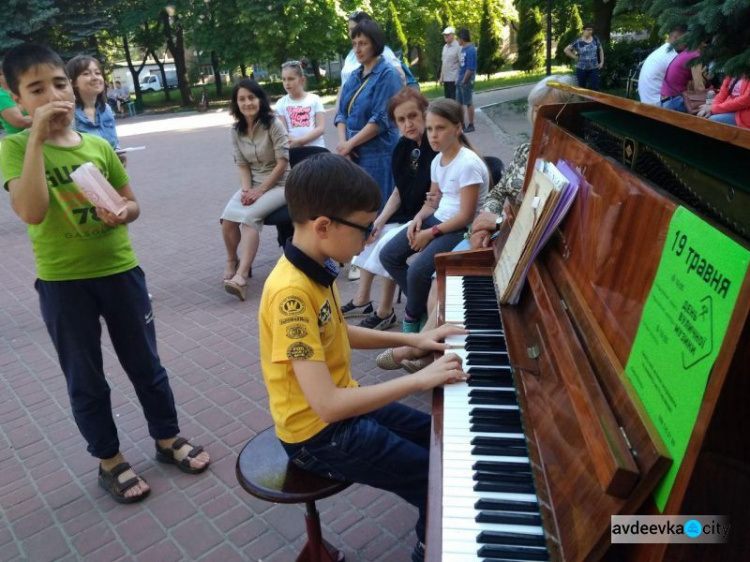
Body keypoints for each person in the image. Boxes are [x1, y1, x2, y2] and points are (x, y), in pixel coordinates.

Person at [0, 44, 209, 505]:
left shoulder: (97, 146)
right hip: (63, 283)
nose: (53, 94)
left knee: (146, 365)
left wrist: (123, 211)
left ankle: (166, 438)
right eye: (36, 89)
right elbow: (31, 211)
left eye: (58, 83)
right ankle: (109, 460)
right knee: (86, 377)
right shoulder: (14, 149)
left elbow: (133, 202)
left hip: (120, 272)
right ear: (16, 98)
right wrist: (34, 138)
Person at [258, 152, 467, 562]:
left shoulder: (314, 265)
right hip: (317, 437)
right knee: (433, 479)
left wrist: (420, 344)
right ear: (323, 227)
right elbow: (328, 405)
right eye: (366, 227)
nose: (370, 237)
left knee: (444, 440)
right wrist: (418, 380)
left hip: (341, 414)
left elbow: (338, 332)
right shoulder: (290, 294)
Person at [377, 74, 577, 371]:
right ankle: (425, 347)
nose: (539, 117)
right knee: (425, 275)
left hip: (516, 238)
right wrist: (489, 219)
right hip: (499, 231)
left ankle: (422, 347)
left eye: (548, 111)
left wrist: (491, 225)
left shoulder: (570, 159)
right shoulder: (527, 149)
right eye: (536, 110)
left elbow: (541, 215)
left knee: (438, 278)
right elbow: (499, 191)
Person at [381, 98, 490, 332]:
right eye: (430, 129)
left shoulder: (467, 164)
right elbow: (433, 202)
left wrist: (430, 233)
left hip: (460, 228)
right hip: (437, 218)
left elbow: (466, 215)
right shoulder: (437, 161)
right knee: (388, 255)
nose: (433, 135)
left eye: (440, 128)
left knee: (418, 271)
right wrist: (419, 219)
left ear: (458, 128)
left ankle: (412, 322)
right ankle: (420, 307)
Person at [342, 88, 438, 330]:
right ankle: (362, 299)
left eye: (413, 116)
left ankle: (386, 311)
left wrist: (411, 220)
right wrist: (379, 220)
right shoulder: (403, 147)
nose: (408, 124)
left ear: (425, 113)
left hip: (429, 216)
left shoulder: (435, 144)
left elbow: (439, 197)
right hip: (407, 211)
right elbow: (398, 190)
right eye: (401, 120)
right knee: (371, 236)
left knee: (387, 245)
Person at [221, 79, 289, 301]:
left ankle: (240, 278)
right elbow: (242, 164)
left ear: (260, 99)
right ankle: (233, 260)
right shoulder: (235, 131)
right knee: (228, 219)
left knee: (248, 218)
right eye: (242, 99)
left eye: (251, 97)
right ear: (236, 104)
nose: (247, 102)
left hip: (280, 184)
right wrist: (246, 190)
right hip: (253, 183)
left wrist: (259, 191)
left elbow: (282, 163)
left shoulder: (274, 124)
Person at [335, 19, 402, 206]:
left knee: (377, 203)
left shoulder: (388, 75)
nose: (357, 49)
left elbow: (380, 120)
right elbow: (341, 113)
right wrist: (343, 145)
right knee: (358, 204)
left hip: (378, 153)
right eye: (354, 44)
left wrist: (349, 144)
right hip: (352, 151)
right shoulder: (354, 76)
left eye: (363, 43)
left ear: (375, 44)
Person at [67, 55, 122, 160]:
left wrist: (118, 155)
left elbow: (114, 144)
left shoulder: (106, 109)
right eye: (86, 74)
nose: (95, 78)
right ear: (73, 82)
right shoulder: (69, 113)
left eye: (98, 73)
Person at [339, 10, 405, 87]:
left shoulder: (384, 52)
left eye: (353, 29)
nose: (350, 34)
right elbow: (344, 85)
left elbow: (400, 78)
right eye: (349, 30)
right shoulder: (351, 55)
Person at [275, 61, 326, 148]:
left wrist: (300, 141)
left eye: (291, 79)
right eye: (284, 79)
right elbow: (283, 132)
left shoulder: (314, 99)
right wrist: (296, 144)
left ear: (302, 80)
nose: (287, 83)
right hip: (294, 149)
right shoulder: (281, 103)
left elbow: (321, 128)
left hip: (316, 149)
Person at [637, 25, 687, 105]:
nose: (687, 43)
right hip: (658, 104)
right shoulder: (672, 56)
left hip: (646, 101)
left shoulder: (661, 51)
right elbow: (680, 87)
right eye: (685, 39)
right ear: (676, 37)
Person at [659, 42, 704, 112]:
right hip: (675, 102)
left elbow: (690, 85)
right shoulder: (695, 55)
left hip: (665, 101)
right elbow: (699, 87)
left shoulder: (685, 53)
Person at [564, 24, 604, 91]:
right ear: (583, 30)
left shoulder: (595, 39)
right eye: (588, 29)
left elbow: (600, 50)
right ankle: (582, 101)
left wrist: (602, 62)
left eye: (591, 29)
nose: (590, 31)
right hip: (581, 69)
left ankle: (595, 101)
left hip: (594, 68)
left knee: (595, 87)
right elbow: (566, 50)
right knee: (581, 89)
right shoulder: (578, 41)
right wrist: (575, 57)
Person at [0, 65, 32, 134]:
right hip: (20, 141)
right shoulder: (2, 96)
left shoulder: (22, 89)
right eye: (6, 74)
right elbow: (20, 122)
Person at [456, 29, 477, 132]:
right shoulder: (463, 49)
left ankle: (471, 125)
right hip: (460, 80)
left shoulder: (470, 50)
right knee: (459, 104)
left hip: (466, 81)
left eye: (458, 38)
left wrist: (464, 81)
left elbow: (470, 68)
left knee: (468, 102)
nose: (457, 40)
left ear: (462, 38)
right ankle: (462, 124)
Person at [439, 26, 461, 100]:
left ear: (452, 35)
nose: (445, 36)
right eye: (444, 35)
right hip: (446, 80)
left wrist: (458, 78)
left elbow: (461, 63)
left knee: (455, 101)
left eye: (447, 35)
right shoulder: (444, 47)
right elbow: (443, 63)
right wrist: (441, 77)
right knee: (448, 102)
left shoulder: (458, 46)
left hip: (454, 80)